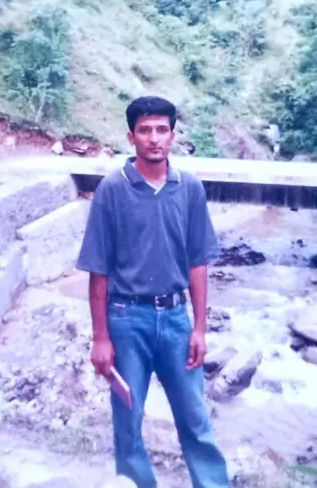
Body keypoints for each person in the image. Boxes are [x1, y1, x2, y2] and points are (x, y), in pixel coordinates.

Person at [76, 96, 230, 488]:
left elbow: (198, 263)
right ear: (131, 137)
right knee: (128, 423)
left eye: (162, 129)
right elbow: (98, 270)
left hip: (177, 320)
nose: (154, 138)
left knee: (195, 420)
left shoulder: (189, 188)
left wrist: (200, 328)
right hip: (127, 321)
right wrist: (100, 337)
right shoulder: (112, 189)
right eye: (145, 130)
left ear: (173, 136)